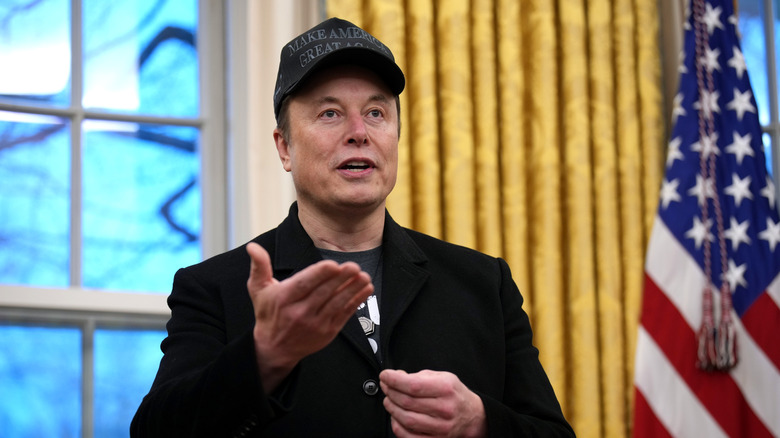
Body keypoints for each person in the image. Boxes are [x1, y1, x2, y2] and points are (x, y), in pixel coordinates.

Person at [131, 17, 574, 438]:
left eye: (377, 113)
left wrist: (480, 422)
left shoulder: (484, 283)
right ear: (284, 148)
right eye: (329, 114)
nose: (359, 132)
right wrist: (264, 356)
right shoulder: (214, 288)